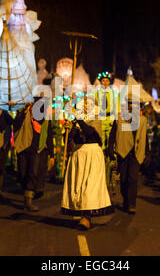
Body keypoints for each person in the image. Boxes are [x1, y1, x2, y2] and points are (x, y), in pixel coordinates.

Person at [61, 97, 114, 230]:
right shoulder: (76, 120)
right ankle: (82, 214)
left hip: (92, 154)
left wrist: (77, 119)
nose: (85, 106)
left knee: (89, 187)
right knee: (78, 186)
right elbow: (69, 139)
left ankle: (86, 218)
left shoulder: (95, 118)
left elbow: (90, 132)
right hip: (79, 154)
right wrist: (69, 129)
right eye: (83, 104)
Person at [13, 97, 54, 212]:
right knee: (23, 173)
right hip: (24, 148)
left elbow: (49, 136)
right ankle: (27, 194)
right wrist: (24, 110)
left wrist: (52, 154)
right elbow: (16, 124)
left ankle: (28, 201)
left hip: (37, 150)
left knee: (33, 173)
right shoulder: (25, 113)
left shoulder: (46, 118)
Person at [108, 99, 148, 214]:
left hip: (136, 153)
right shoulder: (120, 119)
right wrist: (111, 148)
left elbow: (144, 137)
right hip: (122, 152)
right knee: (124, 179)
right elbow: (113, 134)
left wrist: (147, 153)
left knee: (133, 178)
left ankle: (132, 204)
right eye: (130, 105)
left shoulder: (142, 120)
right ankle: (126, 199)